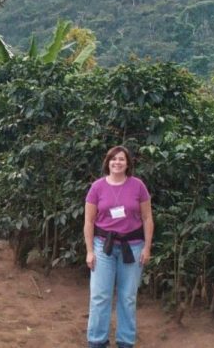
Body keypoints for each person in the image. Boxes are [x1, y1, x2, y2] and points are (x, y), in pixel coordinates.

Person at [84, 145, 153, 348]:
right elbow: (88, 221)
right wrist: (89, 251)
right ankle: (97, 341)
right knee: (100, 296)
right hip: (103, 247)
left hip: (132, 247)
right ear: (108, 163)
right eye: (113, 159)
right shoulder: (97, 187)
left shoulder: (138, 186)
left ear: (127, 163)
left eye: (121, 159)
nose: (117, 162)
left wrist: (147, 248)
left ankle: (125, 341)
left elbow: (147, 218)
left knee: (128, 297)